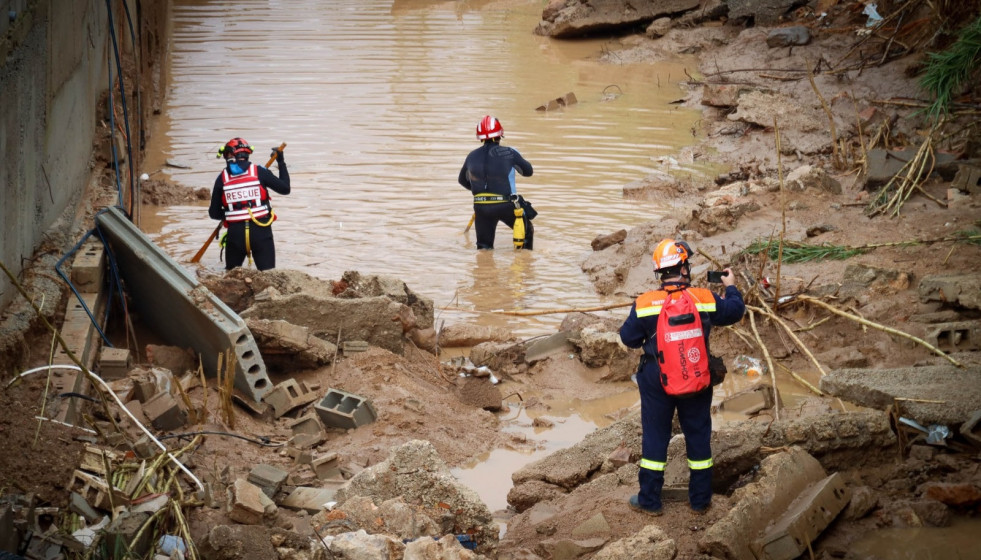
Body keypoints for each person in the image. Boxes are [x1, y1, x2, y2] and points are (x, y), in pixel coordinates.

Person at [618, 238, 745, 516]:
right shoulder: (704, 298)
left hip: (656, 378)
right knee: (698, 435)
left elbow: (628, 338)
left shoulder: (645, 303)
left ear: (660, 273)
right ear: (684, 268)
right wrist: (731, 286)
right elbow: (736, 311)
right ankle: (700, 501)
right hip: (697, 375)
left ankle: (650, 501)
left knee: (655, 436)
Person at [208, 137, 290, 271]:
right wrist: (281, 161)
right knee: (268, 276)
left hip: (235, 235)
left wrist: (231, 213)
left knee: (232, 278)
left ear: (229, 155)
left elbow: (214, 213)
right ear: (246, 154)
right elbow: (285, 189)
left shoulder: (222, 178)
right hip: (261, 232)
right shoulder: (259, 172)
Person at [458, 116, 534, 250]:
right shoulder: (510, 152)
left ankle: (485, 268)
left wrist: (481, 193)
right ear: (500, 134)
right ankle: (525, 265)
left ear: (480, 137)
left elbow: (462, 180)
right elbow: (528, 172)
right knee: (527, 231)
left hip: (481, 207)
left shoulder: (471, 156)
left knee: (483, 249)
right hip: (506, 205)